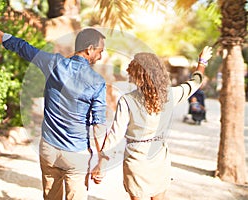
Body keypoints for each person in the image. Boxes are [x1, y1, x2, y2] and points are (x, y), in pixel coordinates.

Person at [0, 20, 107, 200]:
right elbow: (99, 125)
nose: (100, 56)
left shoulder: (53, 63)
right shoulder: (98, 82)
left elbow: (22, 47)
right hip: (76, 154)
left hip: (49, 150)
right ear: (90, 49)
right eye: (100, 51)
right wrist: (101, 160)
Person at [91, 46, 213, 200]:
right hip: (159, 158)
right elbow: (195, 83)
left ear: (137, 74)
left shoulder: (127, 100)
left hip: (136, 162)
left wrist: (101, 163)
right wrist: (202, 62)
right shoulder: (170, 95)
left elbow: (115, 136)